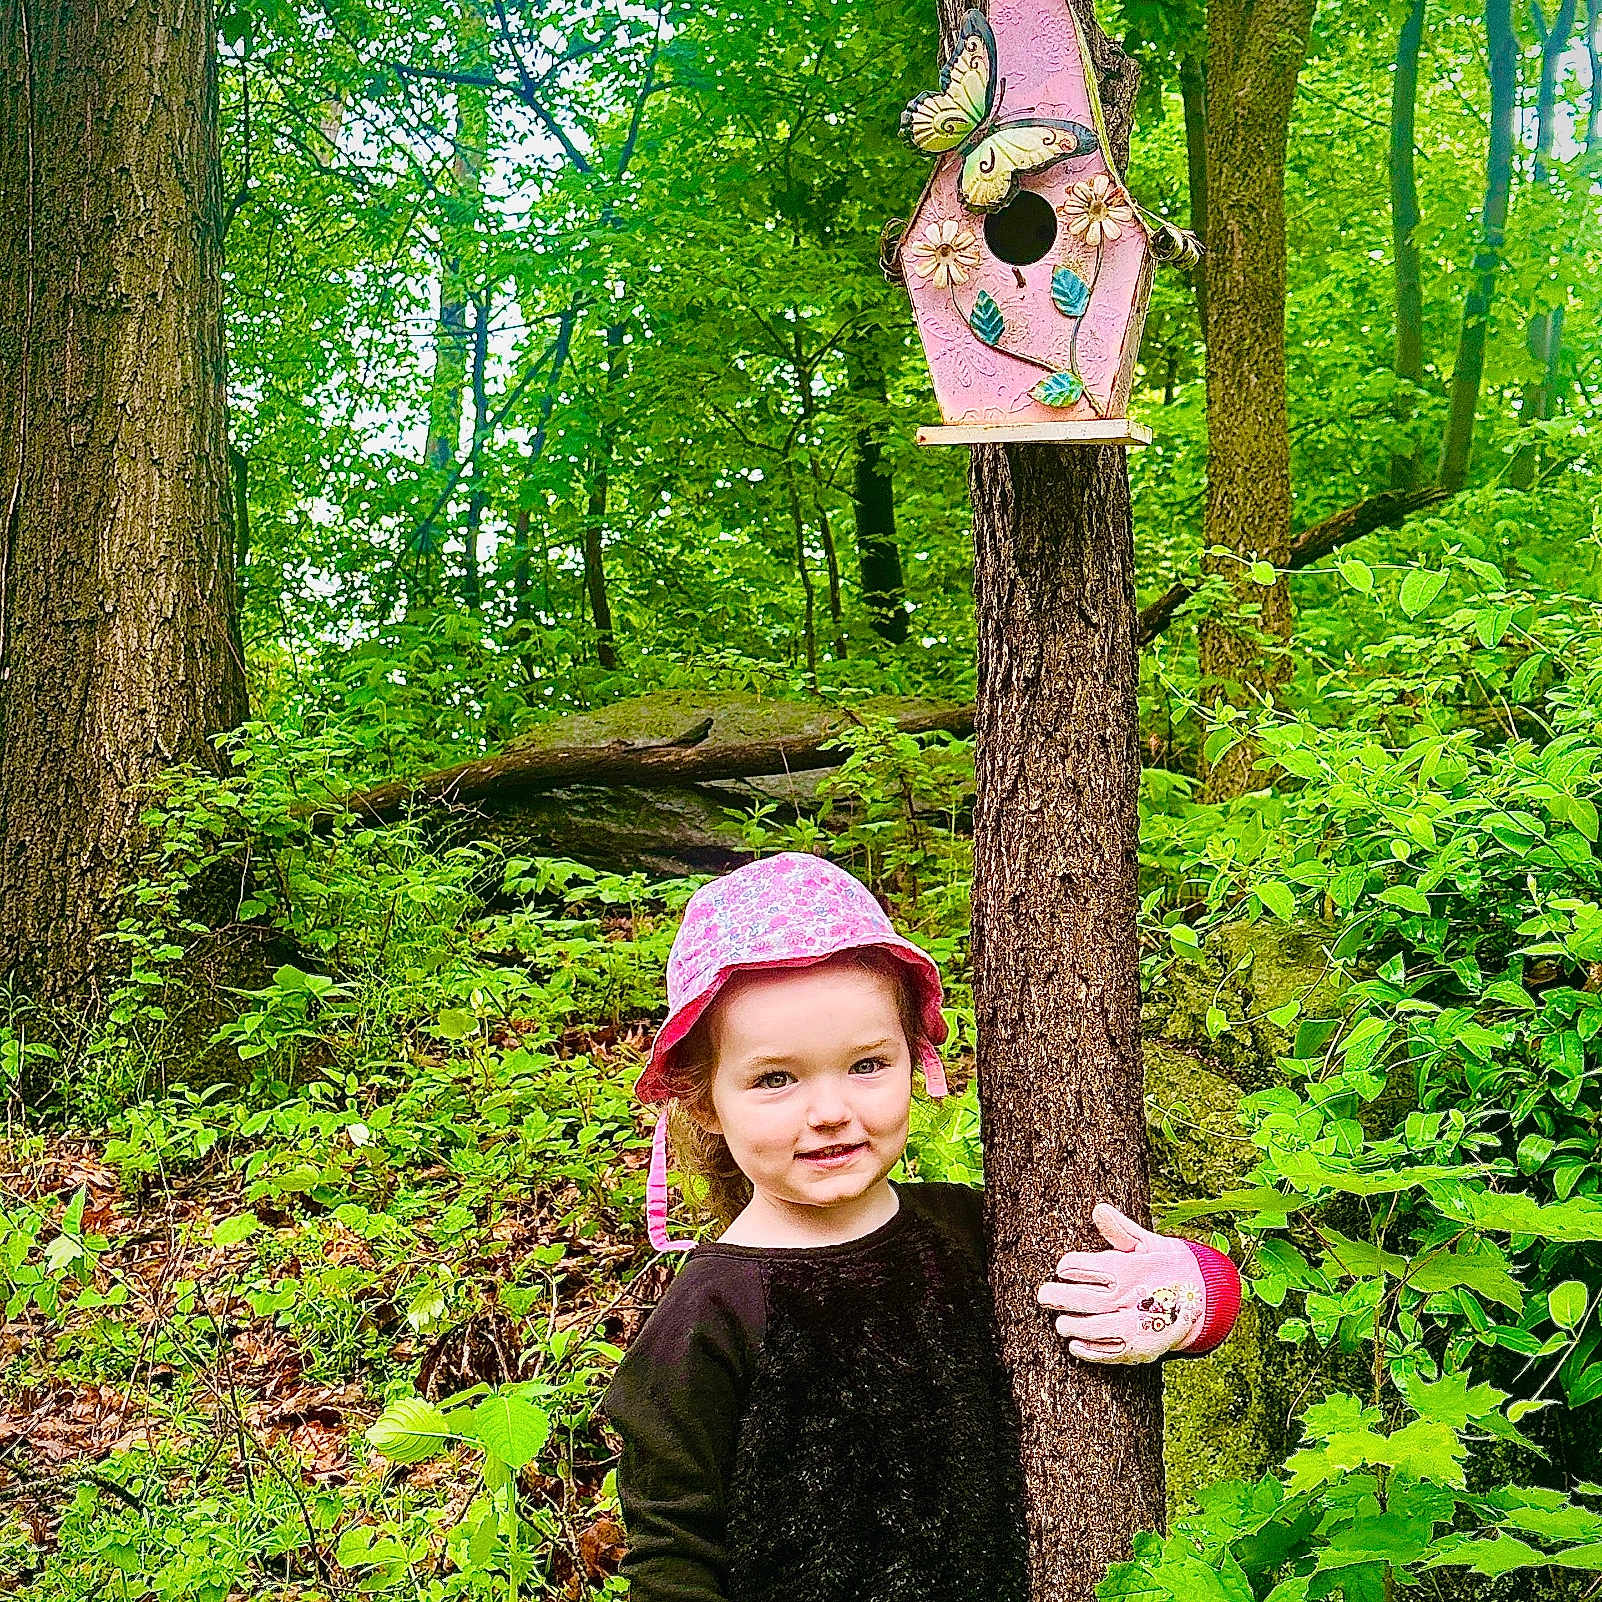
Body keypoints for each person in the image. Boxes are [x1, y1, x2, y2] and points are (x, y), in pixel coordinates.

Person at [602, 852, 1241, 1602]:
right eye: (776, 1078)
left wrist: (1182, 1292)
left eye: (866, 1065)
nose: (830, 1111)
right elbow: (671, 1551)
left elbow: (1190, 1293)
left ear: (915, 1058)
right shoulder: (708, 1316)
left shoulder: (977, 1231)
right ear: (703, 1100)